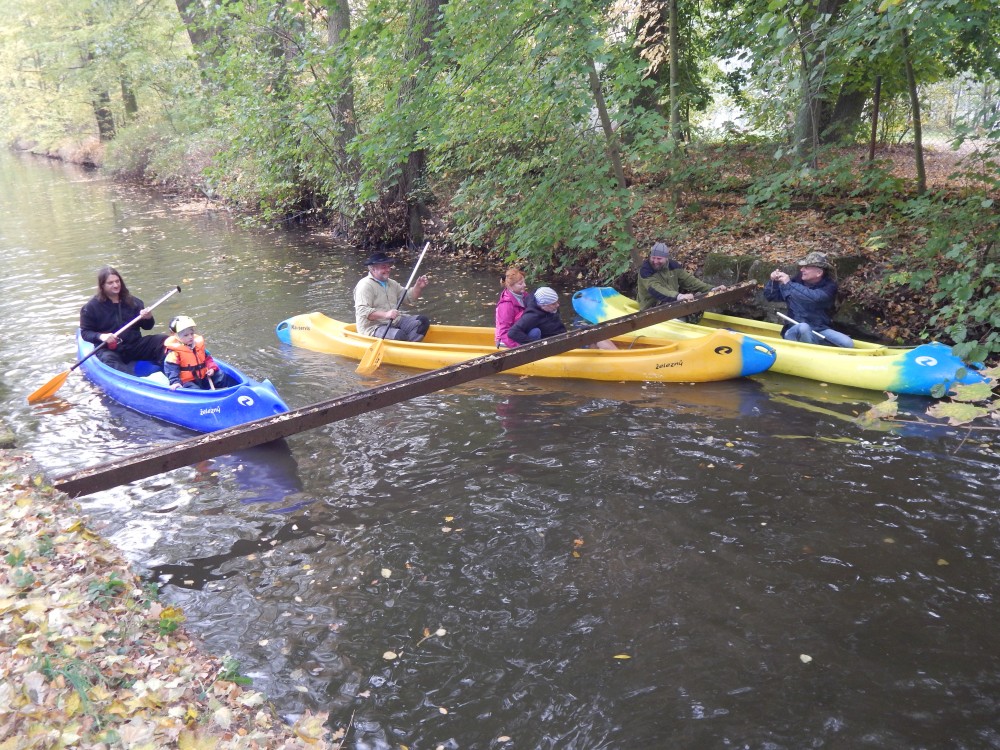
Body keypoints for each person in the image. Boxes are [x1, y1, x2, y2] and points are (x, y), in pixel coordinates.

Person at [79, 265, 169, 373]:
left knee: (163, 340)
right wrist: (101, 336)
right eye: (110, 283)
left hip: (134, 345)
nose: (116, 285)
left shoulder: (134, 302)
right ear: (102, 285)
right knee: (108, 359)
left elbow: (148, 327)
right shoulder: (91, 307)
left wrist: (148, 317)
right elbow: (85, 333)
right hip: (109, 349)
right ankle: (127, 377)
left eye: (117, 281)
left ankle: (171, 368)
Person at [764, 251, 854, 348]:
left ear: (819, 273)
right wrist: (773, 281)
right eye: (802, 267)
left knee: (847, 343)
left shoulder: (829, 287)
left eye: (806, 267)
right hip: (795, 328)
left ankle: (816, 348)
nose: (802, 269)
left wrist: (789, 284)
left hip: (819, 329)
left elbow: (814, 298)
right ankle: (811, 351)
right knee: (804, 327)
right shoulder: (795, 281)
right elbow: (771, 296)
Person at [354, 251, 430, 342]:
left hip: (395, 321)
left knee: (422, 321)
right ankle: (404, 344)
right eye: (384, 267)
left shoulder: (392, 283)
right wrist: (386, 314)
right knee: (399, 335)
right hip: (373, 327)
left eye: (388, 266)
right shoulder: (365, 285)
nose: (388, 269)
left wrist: (418, 287)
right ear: (373, 269)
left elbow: (409, 298)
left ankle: (408, 345)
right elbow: (362, 311)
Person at [508, 287, 617, 349]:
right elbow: (513, 332)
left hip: (563, 337)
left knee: (593, 332)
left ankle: (608, 356)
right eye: (553, 304)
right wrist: (536, 345)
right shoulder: (532, 316)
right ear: (543, 305)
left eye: (557, 302)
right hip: (556, 346)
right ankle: (618, 358)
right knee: (596, 337)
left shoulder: (542, 300)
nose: (557, 305)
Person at [636, 242, 721, 310]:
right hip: (651, 306)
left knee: (697, 297)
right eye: (653, 258)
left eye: (659, 259)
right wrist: (678, 296)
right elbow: (656, 289)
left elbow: (690, 281)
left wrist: (711, 289)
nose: (655, 261)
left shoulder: (673, 266)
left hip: (672, 301)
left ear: (666, 258)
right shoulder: (645, 271)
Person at [163, 316, 234, 389]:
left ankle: (222, 391)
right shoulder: (174, 353)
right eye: (186, 335)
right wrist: (175, 382)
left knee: (220, 375)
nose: (190, 337)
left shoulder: (198, 346)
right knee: (194, 389)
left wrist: (212, 368)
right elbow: (171, 369)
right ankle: (201, 394)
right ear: (176, 336)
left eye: (191, 333)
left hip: (203, 377)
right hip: (187, 382)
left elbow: (208, 359)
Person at [495, 267, 539, 347]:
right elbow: (504, 332)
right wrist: (519, 347)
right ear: (510, 286)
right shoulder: (506, 305)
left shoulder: (524, 295)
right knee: (535, 332)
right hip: (507, 339)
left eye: (524, 282)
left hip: (521, 330)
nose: (525, 285)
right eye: (520, 284)